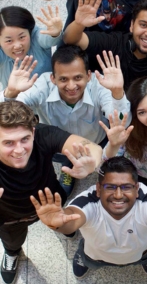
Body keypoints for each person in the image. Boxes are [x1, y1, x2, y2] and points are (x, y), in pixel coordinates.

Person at [30, 156, 147, 279]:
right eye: (110, 187)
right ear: (98, 189)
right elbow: (70, 221)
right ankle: (84, 259)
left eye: (126, 187)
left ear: (137, 188)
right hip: (96, 255)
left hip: (142, 252)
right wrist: (57, 225)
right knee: (89, 260)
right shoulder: (87, 201)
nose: (118, 195)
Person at [0, 46, 131, 195]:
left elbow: (121, 122)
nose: (71, 86)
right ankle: (68, 170)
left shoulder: (100, 85)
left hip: (95, 142)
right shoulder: (42, 85)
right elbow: (7, 116)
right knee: (64, 166)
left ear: (88, 76)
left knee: (106, 172)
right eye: (63, 79)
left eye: (77, 78)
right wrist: (10, 93)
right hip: (60, 149)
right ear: (53, 78)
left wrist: (118, 93)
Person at [0, 101, 103, 284]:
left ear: (33, 132)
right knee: (12, 241)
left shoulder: (43, 134)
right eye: (8, 143)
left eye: (24, 139)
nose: (19, 150)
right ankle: (13, 253)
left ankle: (61, 229)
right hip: (9, 217)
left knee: (61, 221)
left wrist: (92, 161)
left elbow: (92, 148)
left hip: (52, 201)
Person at [0, 5, 63, 90]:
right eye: (9, 41)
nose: (17, 46)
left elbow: (47, 39)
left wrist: (55, 33)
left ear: (30, 31)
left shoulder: (36, 37)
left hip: (46, 97)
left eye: (22, 37)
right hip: (14, 101)